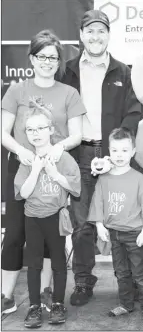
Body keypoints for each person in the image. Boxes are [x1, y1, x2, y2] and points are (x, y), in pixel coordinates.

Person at [59, 9, 142, 306]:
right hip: (79, 155)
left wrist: (114, 154)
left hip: (116, 156)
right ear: (81, 36)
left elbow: (134, 113)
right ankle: (83, 281)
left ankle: (131, 282)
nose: (96, 36)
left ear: (109, 35)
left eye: (101, 31)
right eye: (90, 31)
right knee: (82, 225)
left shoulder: (124, 71)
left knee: (124, 221)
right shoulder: (65, 70)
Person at [1, 29, 85, 314]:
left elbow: (76, 135)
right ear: (31, 59)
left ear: (59, 61)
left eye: (53, 57)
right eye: (42, 56)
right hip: (22, 168)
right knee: (14, 234)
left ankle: (48, 292)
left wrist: (60, 148)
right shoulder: (17, 90)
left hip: (53, 169)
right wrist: (21, 150)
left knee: (51, 235)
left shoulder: (69, 93)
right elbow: (3, 133)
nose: (47, 62)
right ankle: (7, 297)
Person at [14, 105, 81, 328]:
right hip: (32, 218)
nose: (36, 133)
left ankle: (58, 304)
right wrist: (35, 169)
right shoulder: (26, 159)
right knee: (33, 263)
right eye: (30, 129)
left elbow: (74, 188)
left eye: (41, 128)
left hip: (55, 217)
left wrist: (54, 173)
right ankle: (34, 306)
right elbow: (23, 193)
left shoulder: (64, 158)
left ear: (51, 129)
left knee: (59, 262)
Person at [87, 128, 143, 323]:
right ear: (109, 150)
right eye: (115, 150)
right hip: (114, 234)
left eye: (124, 150)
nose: (119, 155)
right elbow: (98, 203)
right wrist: (100, 226)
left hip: (135, 234)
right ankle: (126, 304)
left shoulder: (138, 179)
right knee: (121, 272)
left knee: (140, 273)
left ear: (133, 152)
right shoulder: (104, 178)